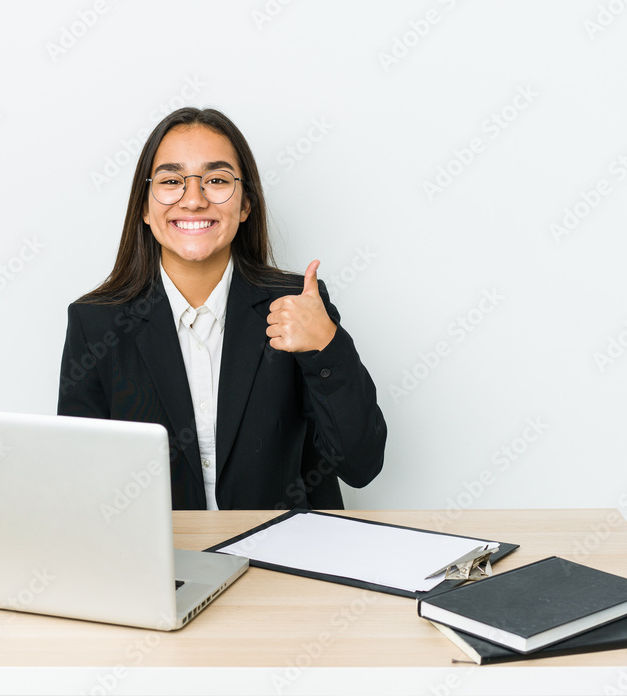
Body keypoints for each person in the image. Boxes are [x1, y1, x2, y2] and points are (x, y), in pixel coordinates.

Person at [58, 107, 386, 510]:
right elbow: (80, 483)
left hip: (283, 556)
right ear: (145, 208)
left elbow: (360, 465)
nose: (193, 200)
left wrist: (326, 347)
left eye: (216, 180)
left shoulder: (297, 305)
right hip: (161, 561)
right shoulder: (95, 323)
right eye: (171, 181)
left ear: (245, 205)